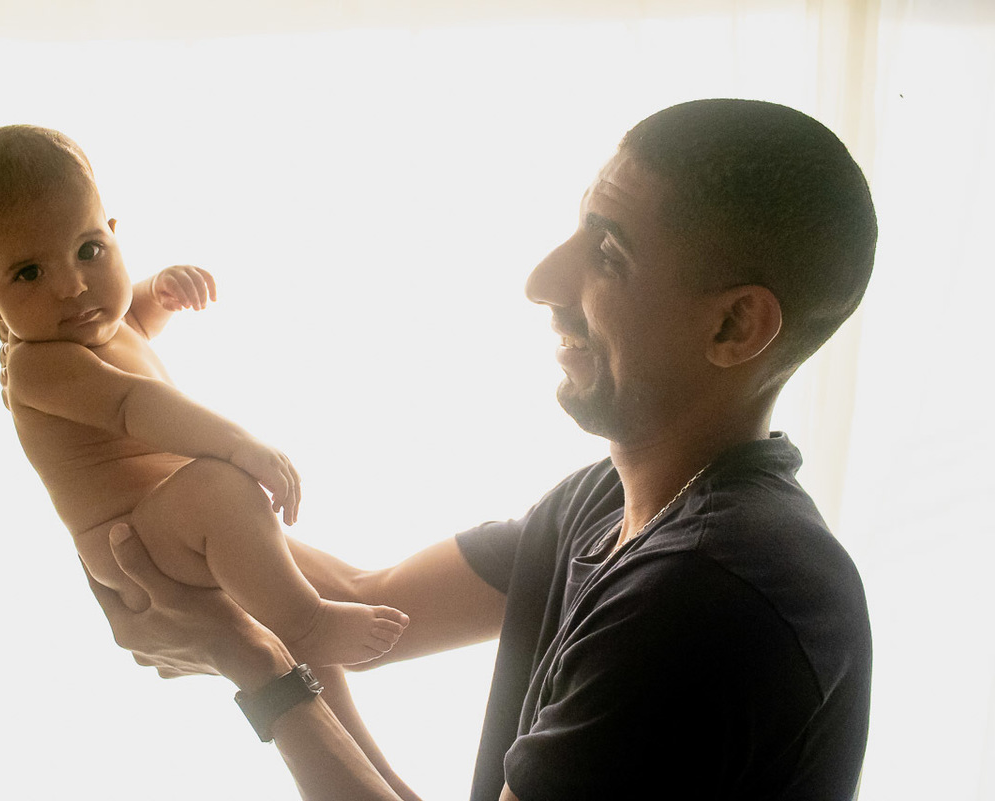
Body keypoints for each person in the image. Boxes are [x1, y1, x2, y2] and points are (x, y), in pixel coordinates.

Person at [82, 98, 878, 800]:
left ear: (734, 326)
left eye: (608, 254)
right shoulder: (604, 502)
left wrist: (248, 661)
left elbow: (308, 627)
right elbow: (368, 596)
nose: (541, 280)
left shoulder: (708, 599)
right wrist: (177, 519)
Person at [0, 125, 422, 799]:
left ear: (113, 232)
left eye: (89, 249)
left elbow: (130, 321)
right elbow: (135, 405)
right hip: (135, 537)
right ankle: (307, 616)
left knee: (301, 653)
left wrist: (158, 294)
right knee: (225, 486)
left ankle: (388, 779)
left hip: (181, 526)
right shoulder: (37, 366)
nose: (73, 287)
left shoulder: (101, 321)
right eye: (29, 272)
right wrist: (237, 442)